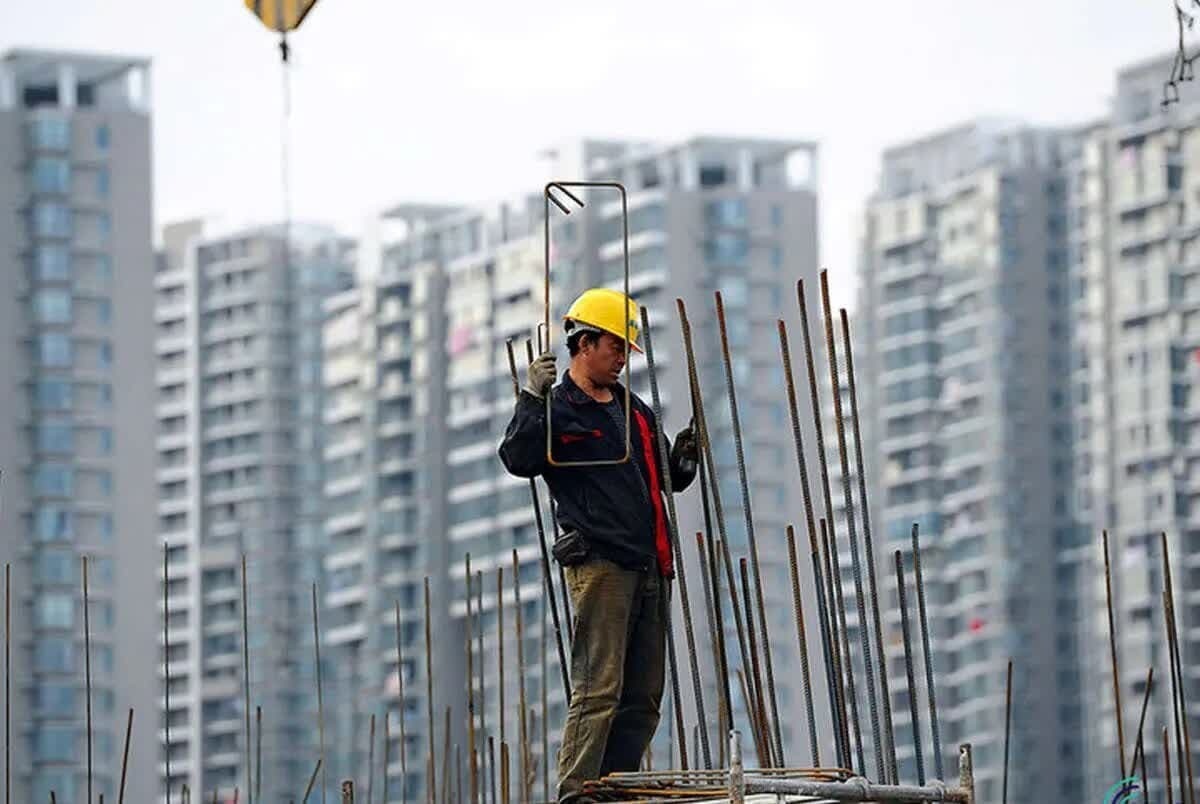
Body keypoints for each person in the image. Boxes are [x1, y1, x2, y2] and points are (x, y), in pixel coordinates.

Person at [498, 288, 698, 803]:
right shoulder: (558, 409)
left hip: (652, 562)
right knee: (599, 687)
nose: (621, 361)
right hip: (601, 563)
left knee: (643, 695)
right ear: (584, 344)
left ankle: (615, 787)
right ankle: (577, 790)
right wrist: (531, 399)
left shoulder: (637, 412)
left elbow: (662, 482)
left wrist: (684, 461)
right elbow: (518, 458)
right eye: (614, 348)